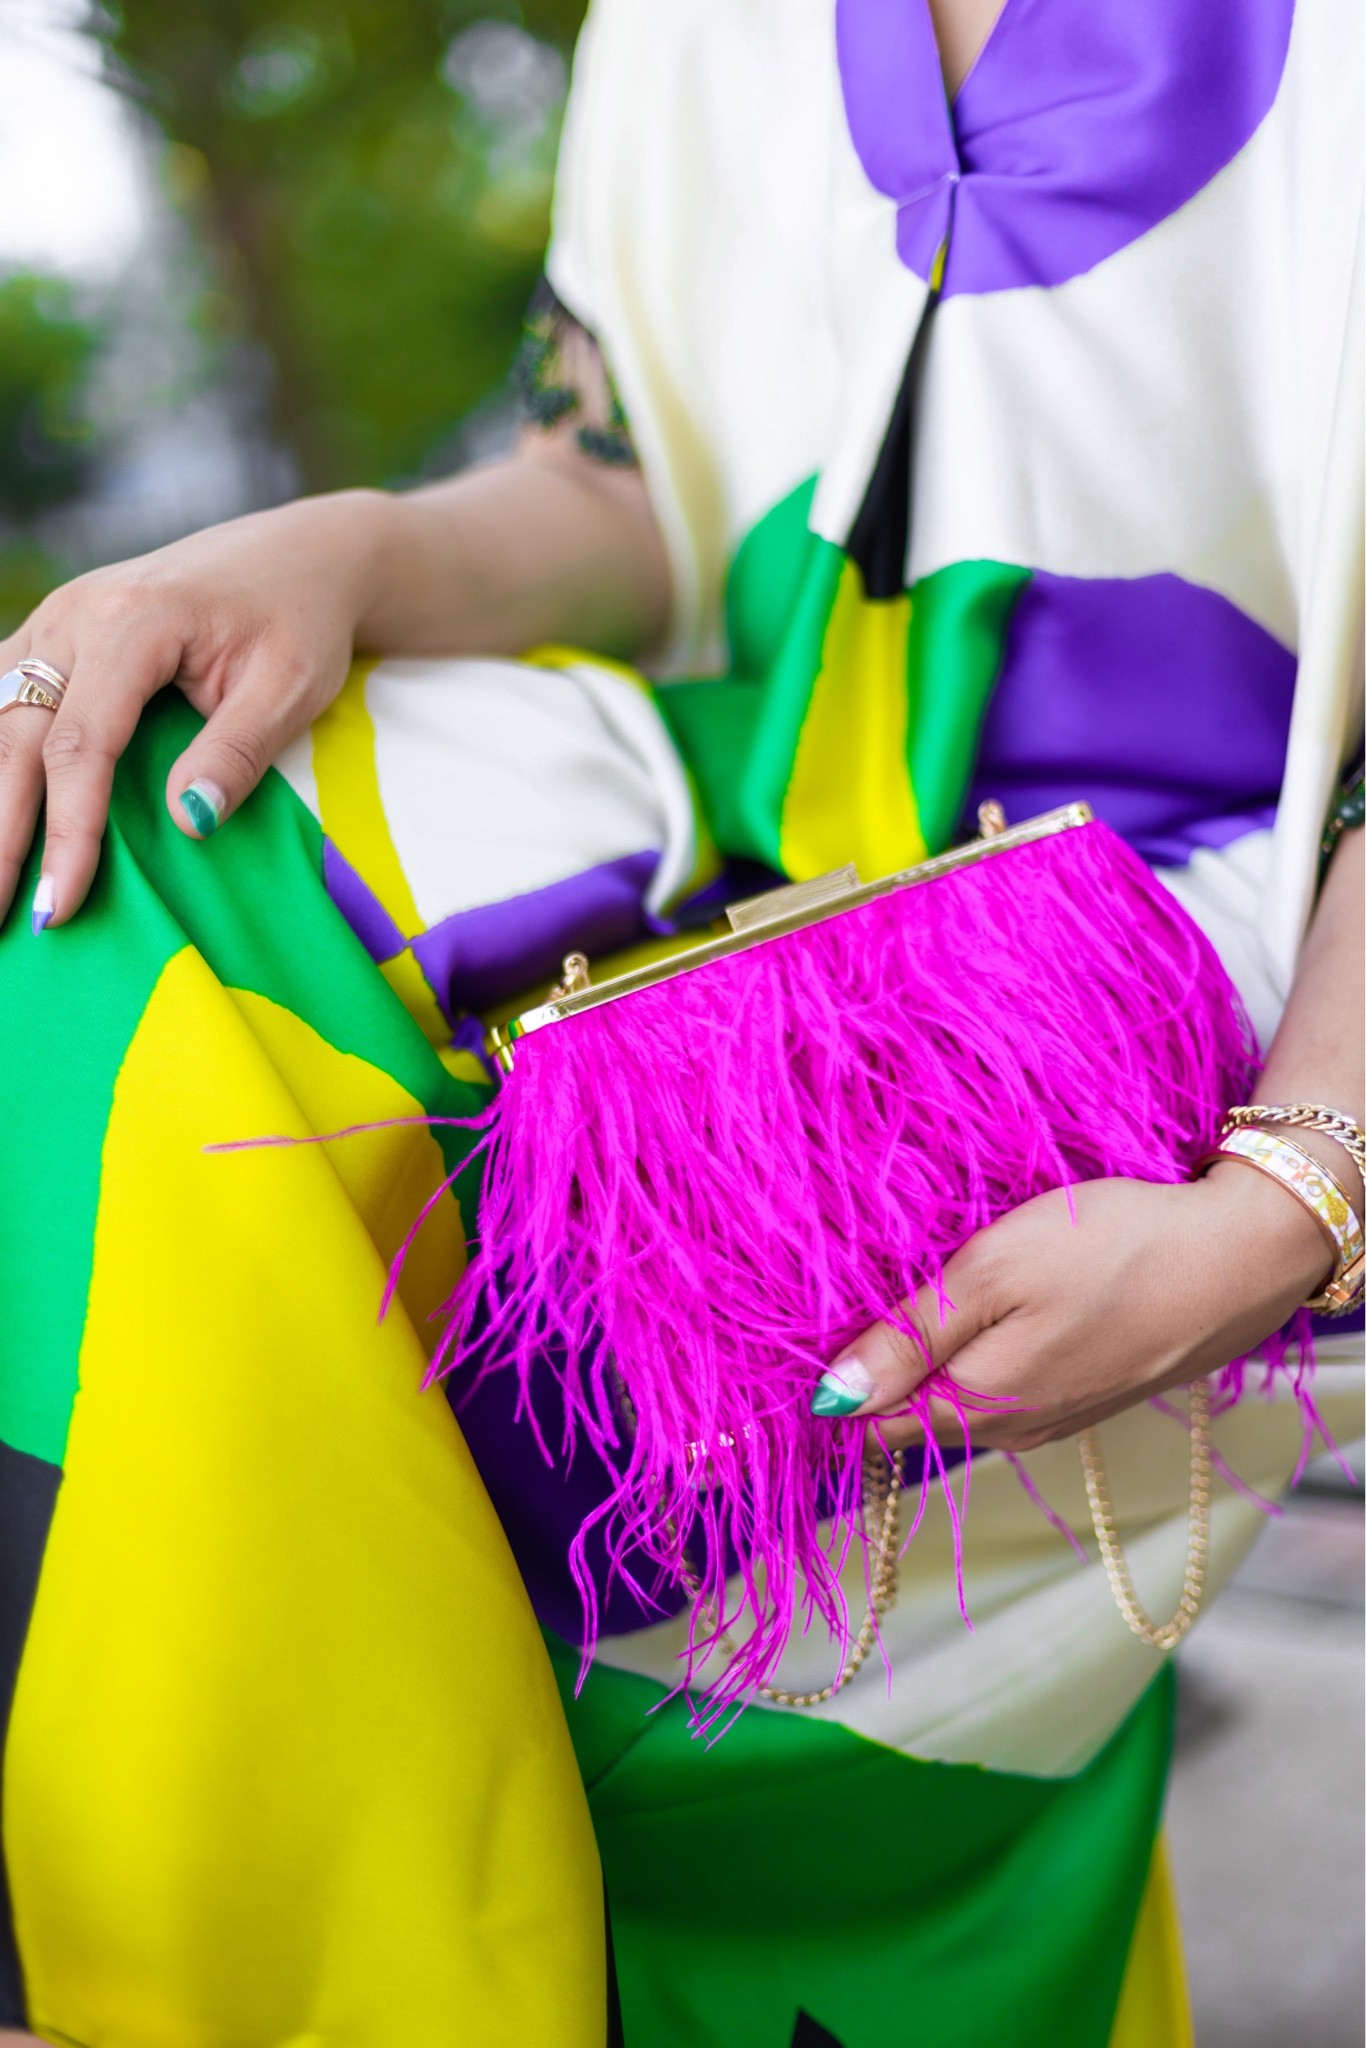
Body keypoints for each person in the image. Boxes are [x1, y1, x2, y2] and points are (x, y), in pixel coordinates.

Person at [0, 0, 1361, 2041]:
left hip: (1212, 931)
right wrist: (323, 552)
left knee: (469, 1386)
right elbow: (631, 479)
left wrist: (1295, 1189)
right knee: (95, 882)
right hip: (749, 782)